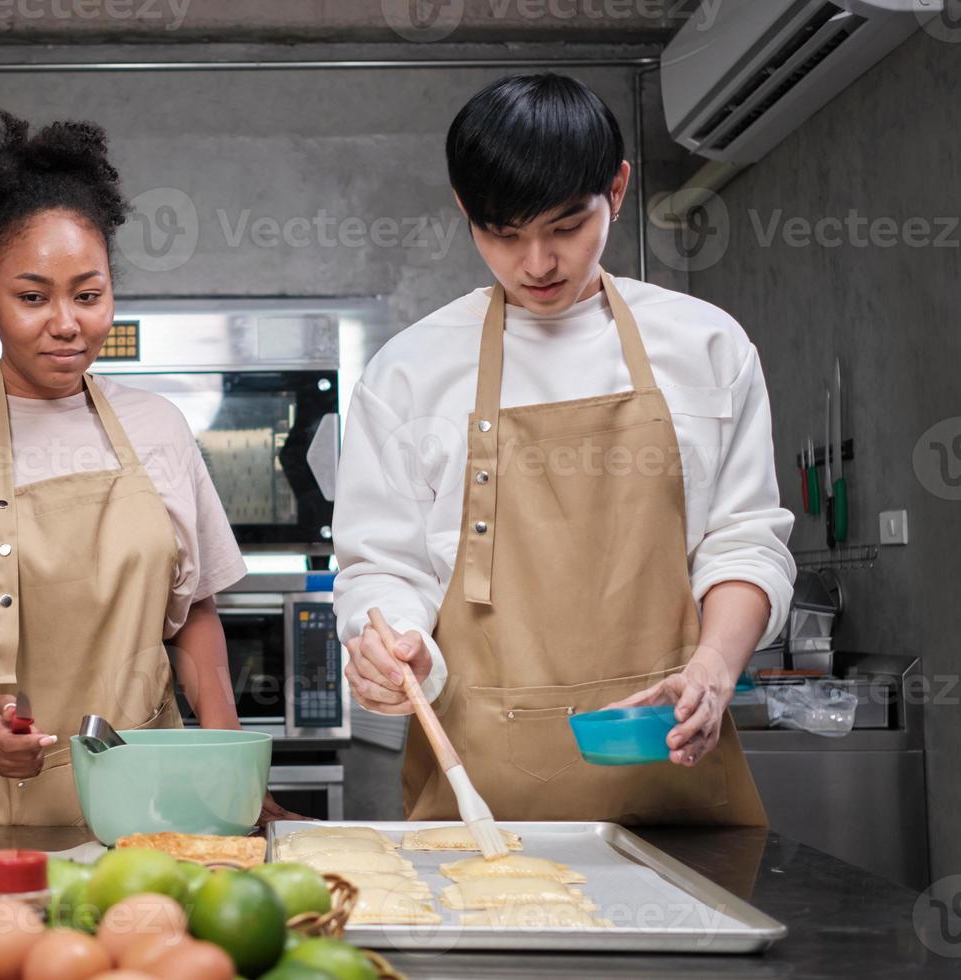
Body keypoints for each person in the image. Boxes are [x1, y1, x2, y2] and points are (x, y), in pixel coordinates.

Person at [334, 73, 796, 825]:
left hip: (670, 779)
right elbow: (384, 567)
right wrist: (395, 646)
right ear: (464, 212)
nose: (538, 263)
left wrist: (713, 670)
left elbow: (746, 542)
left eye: (565, 226)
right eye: (504, 234)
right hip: (479, 803)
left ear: (616, 188)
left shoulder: (706, 347)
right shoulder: (408, 373)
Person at [0, 107, 297, 825]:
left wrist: (230, 780)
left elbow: (193, 620)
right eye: (33, 297)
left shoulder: (158, 428)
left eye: (89, 296)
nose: (67, 323)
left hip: (156, 809)